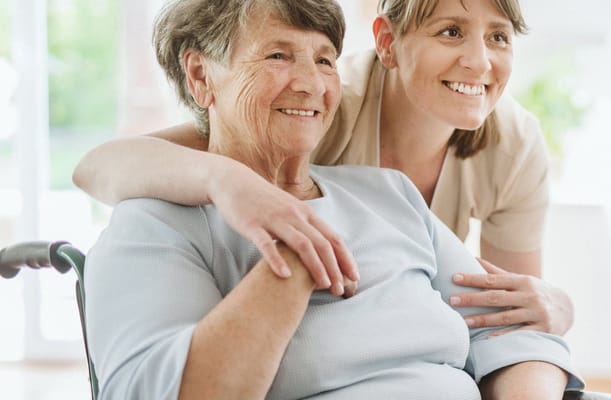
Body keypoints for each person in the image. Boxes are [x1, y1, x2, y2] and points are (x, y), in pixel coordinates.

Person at [83, 1, 580, 398]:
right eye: (278, 55)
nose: (311, 83)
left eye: (324, 60)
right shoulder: (155, 225)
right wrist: (294, 246)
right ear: (200, 76)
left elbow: (509, 328)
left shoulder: (390, 193)